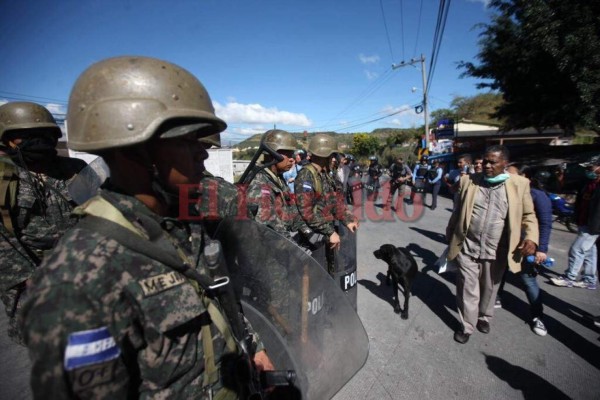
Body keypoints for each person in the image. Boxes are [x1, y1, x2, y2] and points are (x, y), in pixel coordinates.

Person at [21, 56, 273, 398]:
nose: (202, 155)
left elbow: (219, 298)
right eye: (188, 142)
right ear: (134, 150)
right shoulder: (77, 278)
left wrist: (252, 346)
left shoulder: (184, 227)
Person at [0, 101, 86, 345]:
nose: (37, 141)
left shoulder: (75, 169)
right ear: (7, 140)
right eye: (24, 136)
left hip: (84, 267)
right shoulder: (4, 177)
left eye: (44, 135)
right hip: (33, 275)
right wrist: (29, 280)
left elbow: (103, 208)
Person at [445, 145, 538, 344]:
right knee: (467, 287)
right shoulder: (468, 181)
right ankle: (467, 325)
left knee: (489, 287)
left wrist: (531, 238)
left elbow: (529, 215)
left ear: (505, 163)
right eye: (485, 161)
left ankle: (484, 317)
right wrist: (450, 231)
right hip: (467, 245)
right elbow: (458, 210)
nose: (487, 165)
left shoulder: (519, 184)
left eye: (492, 162)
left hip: (497, 249)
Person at [497, 167, 553, 336]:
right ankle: (496, 297)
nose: (508, 176)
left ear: (524, 176)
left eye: (512, 173)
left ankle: (538, 317)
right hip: (504, 243)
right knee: (499, 273)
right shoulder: (506, 190)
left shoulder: (538, 196)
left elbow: (545, 224)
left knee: (528, 281)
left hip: (524, 248)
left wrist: (541, 248)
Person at [295, 134, 358, 273]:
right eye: (332, 155)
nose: (334, 159)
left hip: (324, 234)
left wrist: (347, 220)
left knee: (330, 271)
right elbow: (307, 211)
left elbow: (332, 201)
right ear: (326, 156)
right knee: (317, 278)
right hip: (313, 238)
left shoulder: (323, 175)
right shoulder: (306, 175)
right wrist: (329, 232)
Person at [550, 156, 600, 290]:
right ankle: (589, 279)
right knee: (589, 252)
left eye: (592, 167)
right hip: (584, 221)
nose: (589, 170)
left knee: (577, 249)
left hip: (594, 225)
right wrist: (560, 175)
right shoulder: (587, 182)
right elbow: (566, 186)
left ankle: (569, 278)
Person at [246, 129, 306, 239]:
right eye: (288, 154)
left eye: (292, 154)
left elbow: (291, 210)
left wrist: (306, 230)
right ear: (272, 153)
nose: (292, 159)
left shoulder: (277, 178)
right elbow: (270, 229)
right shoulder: (259, 184)